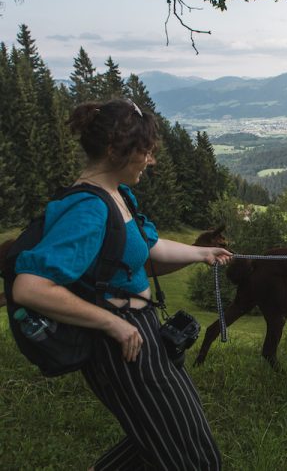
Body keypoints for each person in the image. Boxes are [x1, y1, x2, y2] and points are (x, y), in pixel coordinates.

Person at [12, 98, 232, 470]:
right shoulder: (88, 209)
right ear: (115, 151)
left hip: (140, 332)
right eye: (144, 152)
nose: (152, 160)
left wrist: (201, 253)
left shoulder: (116, 195)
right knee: (193, 459)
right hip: (120, 346)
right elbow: (30, 288)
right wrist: (112, 323)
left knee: (168, 441)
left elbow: (144, 250)